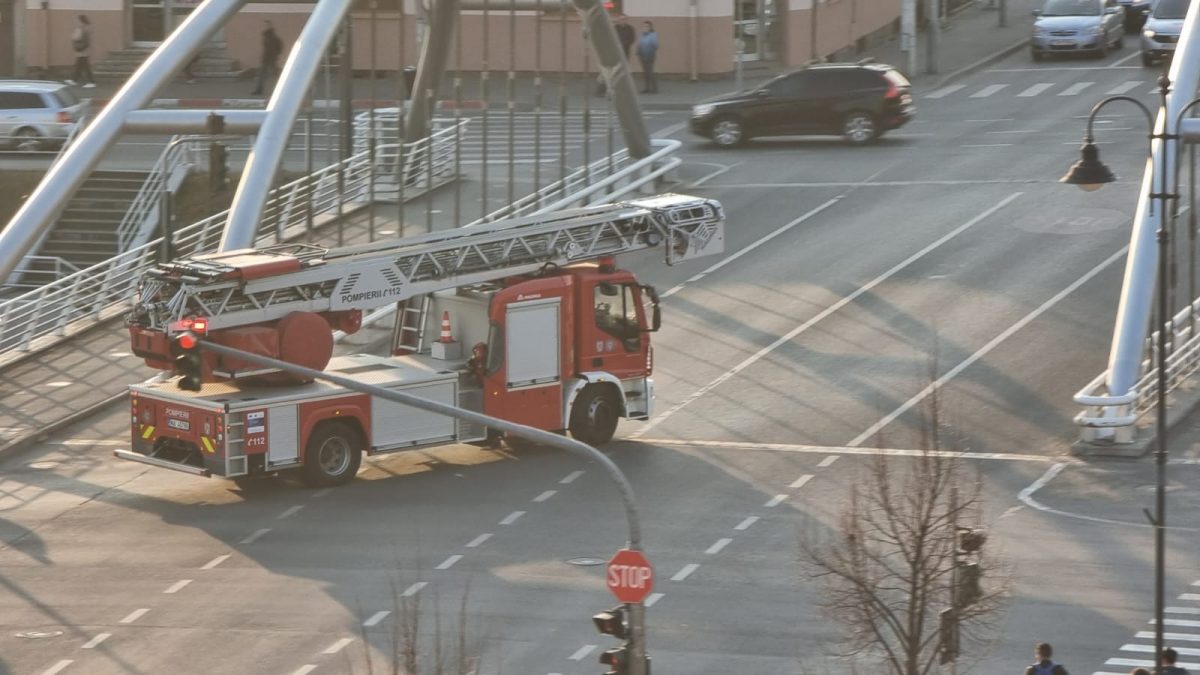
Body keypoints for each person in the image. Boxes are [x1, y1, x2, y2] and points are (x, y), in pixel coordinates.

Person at [594, 14, 638, 97]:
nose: (622, 20)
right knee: (608, 72)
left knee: (623, 73)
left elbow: (632, 39)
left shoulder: (630, 29)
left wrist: (622, 44)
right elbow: (610, 38)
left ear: (626, 20)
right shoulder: (615, 28)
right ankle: (600, 90)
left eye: (624, 19)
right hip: (614, 53)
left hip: (625, 54)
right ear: (618, 20)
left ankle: (620, 91)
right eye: (621, 19)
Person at [250, 20, 283, 96]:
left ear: (270, 26)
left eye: (267, 25)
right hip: (267, 58)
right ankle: (259, 90)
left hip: (271, 58)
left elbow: (277, 47)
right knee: (262, 75)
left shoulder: (272, 36)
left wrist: (275, 55)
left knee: (275, 74)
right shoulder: (266, 35)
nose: (265, 26)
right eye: (265, 25)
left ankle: (282, 88)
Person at [67, 15, 95, 89]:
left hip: (83, 50)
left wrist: (77, 42)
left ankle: (91, 82)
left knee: (84, 66)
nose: (77, 22)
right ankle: (74, 80)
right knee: (80, 66)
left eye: (78, 21)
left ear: (81, 21)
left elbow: (81, 39)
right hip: (83, 50)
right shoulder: (85, 28)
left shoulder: (84, 29)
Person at [636, 20, 658, 94]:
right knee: (645, 73)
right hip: (642, 56)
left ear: (650, 27)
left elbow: (656, 46)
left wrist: (649, 52)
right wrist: (638, 51)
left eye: (646, 26)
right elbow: (640, 44)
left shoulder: (653, 35)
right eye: (643, 26)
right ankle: (646, 88)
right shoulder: (642, 35)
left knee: (650, 72)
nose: (645, 28)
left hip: (650, 56)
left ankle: (654, 89)